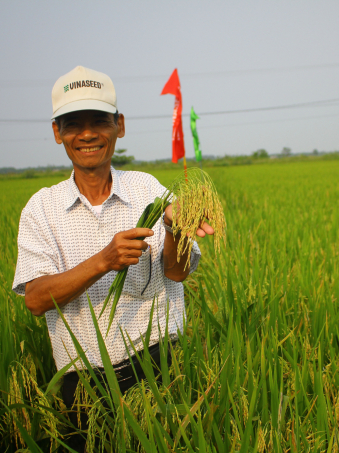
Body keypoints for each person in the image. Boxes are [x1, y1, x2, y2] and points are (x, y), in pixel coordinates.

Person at [11, 66, 214, 450]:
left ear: (119, 125)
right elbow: (36, 300)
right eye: (73, 124)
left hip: (158, 368)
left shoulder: (148, 190)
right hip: (81, 384)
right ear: (57, 133)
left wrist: (174, 229)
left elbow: (176, 272)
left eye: (99, 121)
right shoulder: (42, 208)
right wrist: (104, 260)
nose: (87, 134)